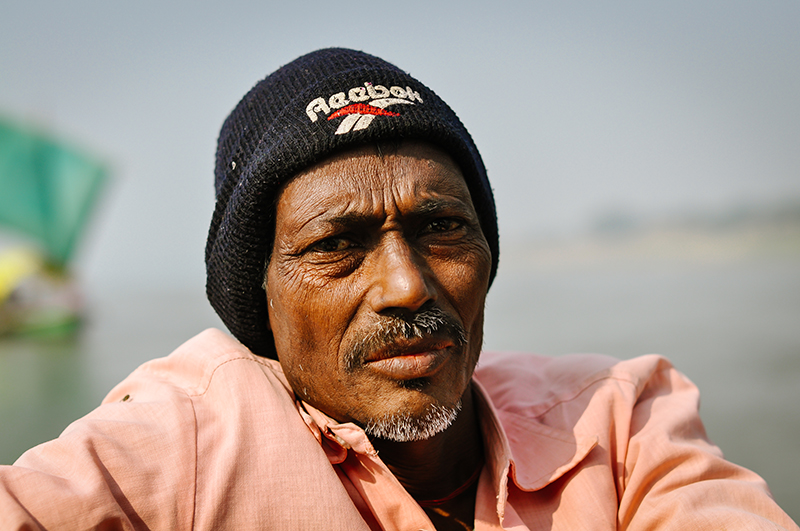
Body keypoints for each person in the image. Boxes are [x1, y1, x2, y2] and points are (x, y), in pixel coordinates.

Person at [0, 48, 796, 531]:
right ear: (260, 300)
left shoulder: (618, 418)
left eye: (442, 228)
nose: (408, 285)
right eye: (336, 245)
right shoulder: (191, 436)